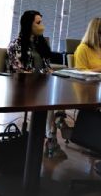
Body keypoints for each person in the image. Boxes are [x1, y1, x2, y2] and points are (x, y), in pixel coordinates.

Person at [6, 10, 70, 158]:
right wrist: (43, 76)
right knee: (48, 97)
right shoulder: (16, 44)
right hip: (23, 87)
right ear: (29, 24)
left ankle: (56, 126)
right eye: (38, 22)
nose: (42, 25)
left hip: (41, 85)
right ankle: (55, 130)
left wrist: (51, 74)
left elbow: (46, 67)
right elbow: (18, 71)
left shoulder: (41, 44)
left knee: (59, 88)